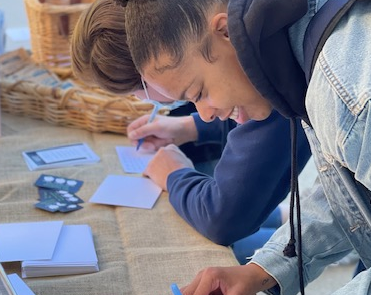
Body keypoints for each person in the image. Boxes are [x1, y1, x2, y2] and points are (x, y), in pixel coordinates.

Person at [117, 0, 371, 294]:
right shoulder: (302, 47)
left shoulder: (350, 99)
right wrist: (262, 271)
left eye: (199, 92)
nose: (205, 114)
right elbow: (354, 189)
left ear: (226, 32)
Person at [70, 0, 312, 264]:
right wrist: (192, 126)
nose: (206, 114)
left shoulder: (280, 79)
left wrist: (175, 175)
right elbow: (244, 99)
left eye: (197, 92)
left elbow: (223, 218)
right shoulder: (258, 58)